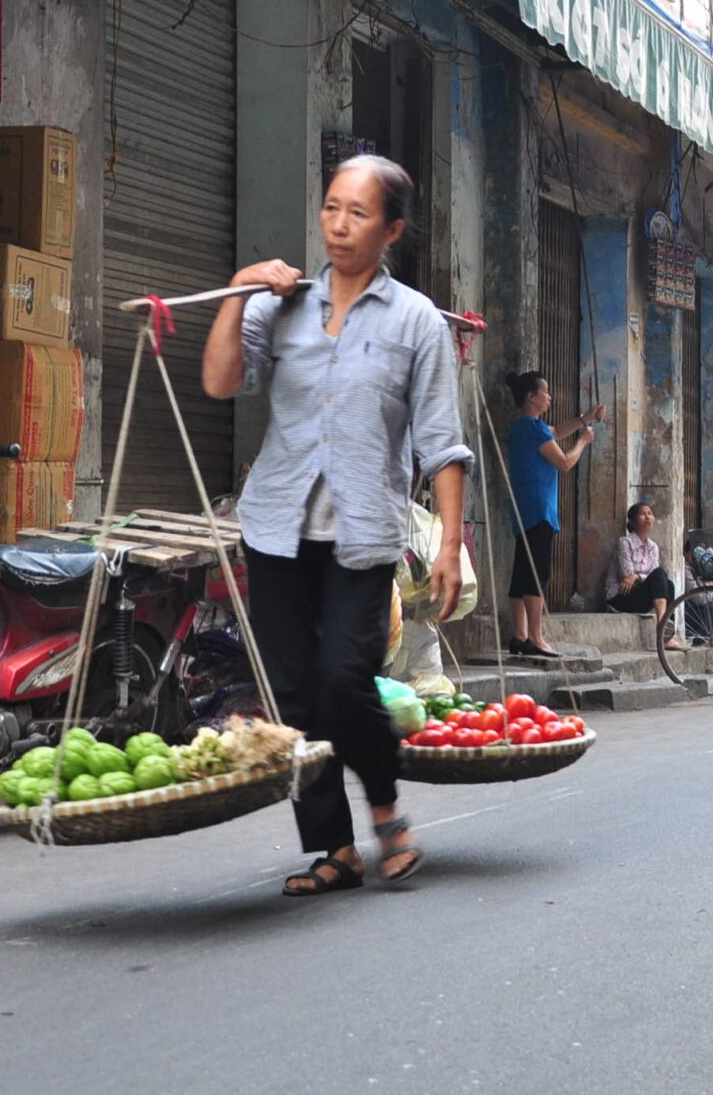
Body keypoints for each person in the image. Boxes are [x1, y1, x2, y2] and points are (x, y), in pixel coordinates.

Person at [202, 155, 471, 897]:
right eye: (331, 208)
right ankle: (334, 848)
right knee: (291, 695)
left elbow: (442, 443)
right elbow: (221, 381)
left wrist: (449, 544)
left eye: (358, 213)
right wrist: (239, 291)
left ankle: (384, 808)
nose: (339, 225)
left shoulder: (416, 320)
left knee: (344, 678)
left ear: (392, 229)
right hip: (277, 524)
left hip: (363, 529)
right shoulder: (279, 303)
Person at [500, 371, 603, 660]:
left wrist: (586, 418)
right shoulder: (534, 429)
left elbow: (554, 432)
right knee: (537, 573)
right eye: (545, 392)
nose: (549, 396)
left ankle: (519, 635)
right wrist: (583, 441)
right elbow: (565, 462)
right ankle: (536, 636)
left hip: (523, 507)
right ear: (532, 397)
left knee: (522, 571)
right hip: (540, 508)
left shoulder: (521, 427)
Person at [601, 501, 675, 633]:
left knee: (669, 585)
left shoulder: (653, 547)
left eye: (650, 514)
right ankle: (663, 627)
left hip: (639, 594)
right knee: (660, 576)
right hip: (620, 597)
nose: (648, 517)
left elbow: (652, 577)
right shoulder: (624, 543)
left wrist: (637, 576)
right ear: (633, 522)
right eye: (643, 514)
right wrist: (636, 577)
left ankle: (666, 631)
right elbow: (626, 576)